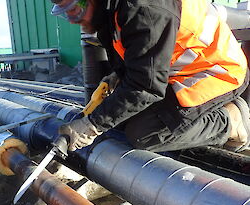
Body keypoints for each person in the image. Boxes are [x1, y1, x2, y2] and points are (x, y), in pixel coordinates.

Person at [51, 0, 250, 153]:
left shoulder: (144, 9)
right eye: (64, 13)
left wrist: (92, 125)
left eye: (74, 9)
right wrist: (118, 75)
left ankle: (231, 121)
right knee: (121, 120)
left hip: (216, 72)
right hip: (179, 71)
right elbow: (140, 56)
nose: (71, 19)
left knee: (146, 133)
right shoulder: (111, 10)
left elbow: (145, 87)